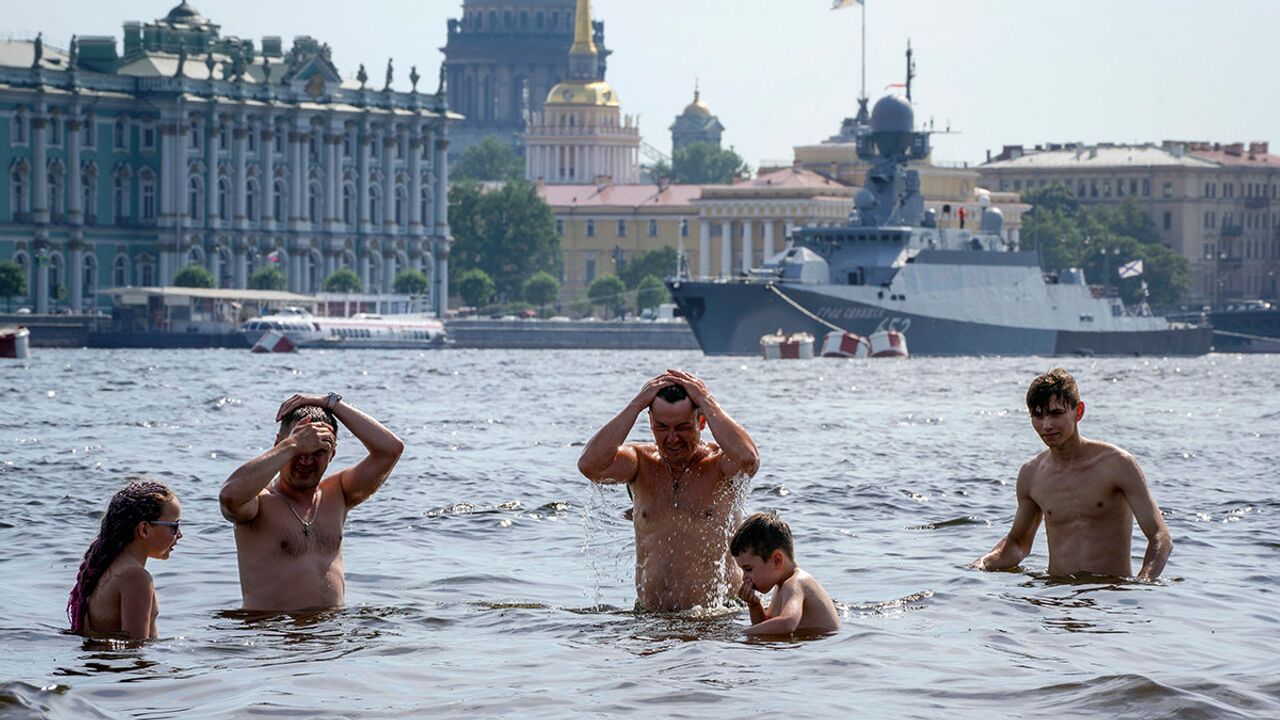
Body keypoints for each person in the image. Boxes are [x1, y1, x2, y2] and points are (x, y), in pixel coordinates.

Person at [578, 369, 760, 611]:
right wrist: (636, 405)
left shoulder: (719, 465)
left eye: (682, 427)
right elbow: (590, 466)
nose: (672, 438)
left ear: (701, 422)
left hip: (717, 619)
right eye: (662, 427)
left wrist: (706, 399)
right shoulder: (639, 462)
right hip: (651, 619)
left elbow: (749, 460)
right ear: (651, 422)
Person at [972, 368, 1173, 581]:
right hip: (1055, 596)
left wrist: (1143, 582)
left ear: (1078, 412)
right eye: (1038, 415)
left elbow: (1160, 537)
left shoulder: (1117, 464)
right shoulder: (1031, 474)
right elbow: (1019, 543)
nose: (1046, 425)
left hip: (1108, 600)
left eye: (1056, 413)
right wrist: (984, 563)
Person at [220, 393, 404, 611]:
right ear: (278, 446)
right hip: (271, 636)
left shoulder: (338, 494)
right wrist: (293, 444)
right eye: (300, 450)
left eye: (318, 451)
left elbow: (390, 450)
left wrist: (331, 402)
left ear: (332, 454)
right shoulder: (258, 503)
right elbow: (229, 497)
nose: (306, 460)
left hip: (330, 635)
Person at [67, 480, 183, 640]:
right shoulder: (136, 577)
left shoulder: (106, 565)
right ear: (144, 529)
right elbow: (135, 649)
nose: (180, 534)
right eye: (174, 526)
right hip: (119, 665)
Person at [731, 512, 840, 636]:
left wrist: (740, 634)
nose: (744, 577)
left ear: (777, 560)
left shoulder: (795, 583)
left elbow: (787, 623)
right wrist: (754, 606)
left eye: (748, 569)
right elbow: (767, 628)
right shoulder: (781, 585)